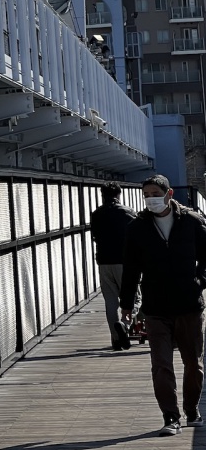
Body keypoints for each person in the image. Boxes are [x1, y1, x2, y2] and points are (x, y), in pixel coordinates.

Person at [120, 174, 206, 436]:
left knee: (193, 363)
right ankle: (171, 416)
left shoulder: (192, 222)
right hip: (156, 306)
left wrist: (199, 281)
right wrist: (126, 304)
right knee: (161, 364)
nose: (150, 199)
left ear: (169, 194)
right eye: (146, 195)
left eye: (155, 194)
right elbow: (131, 268)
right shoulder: (137, 228)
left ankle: (191, 409)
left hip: (189, 304)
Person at [90, 182, 137, 350]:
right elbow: (136, 236)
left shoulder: (96, 214)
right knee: (133, 298)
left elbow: (95, 236)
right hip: (125, 262)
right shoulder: (127, 212)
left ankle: (116, 339)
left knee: (110, 302)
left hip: (104, 261)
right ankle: (125, 324)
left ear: (102, 195)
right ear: (119, 194)